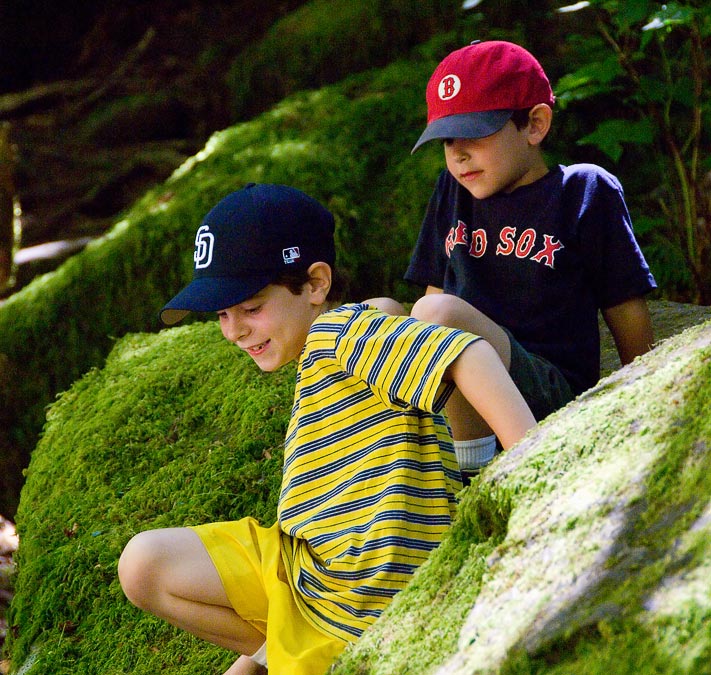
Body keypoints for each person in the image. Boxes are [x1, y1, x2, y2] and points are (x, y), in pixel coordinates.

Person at [117, 183, 536, 675]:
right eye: (222, 314)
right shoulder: (327, 352)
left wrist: (531, 471)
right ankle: (288, 653)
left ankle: (305, 656)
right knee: (143, 567)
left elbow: (468, 353)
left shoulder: (340, 333)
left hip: (365, 594)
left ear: (316, 284)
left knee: (148, 566)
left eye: (251, 308)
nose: (234, 330)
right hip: (310, 577)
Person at [406, 40, 657, 479]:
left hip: (546, 387)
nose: (458, 154)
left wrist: (645, 398)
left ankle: (485, 478)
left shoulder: (582, 192)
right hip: (468, 391)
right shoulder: (452, 191)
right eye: (447, 139)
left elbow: (624, 304)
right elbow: (431, 295)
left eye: (475, 133)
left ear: (535, 124)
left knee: (438, 314)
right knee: (380, 314)